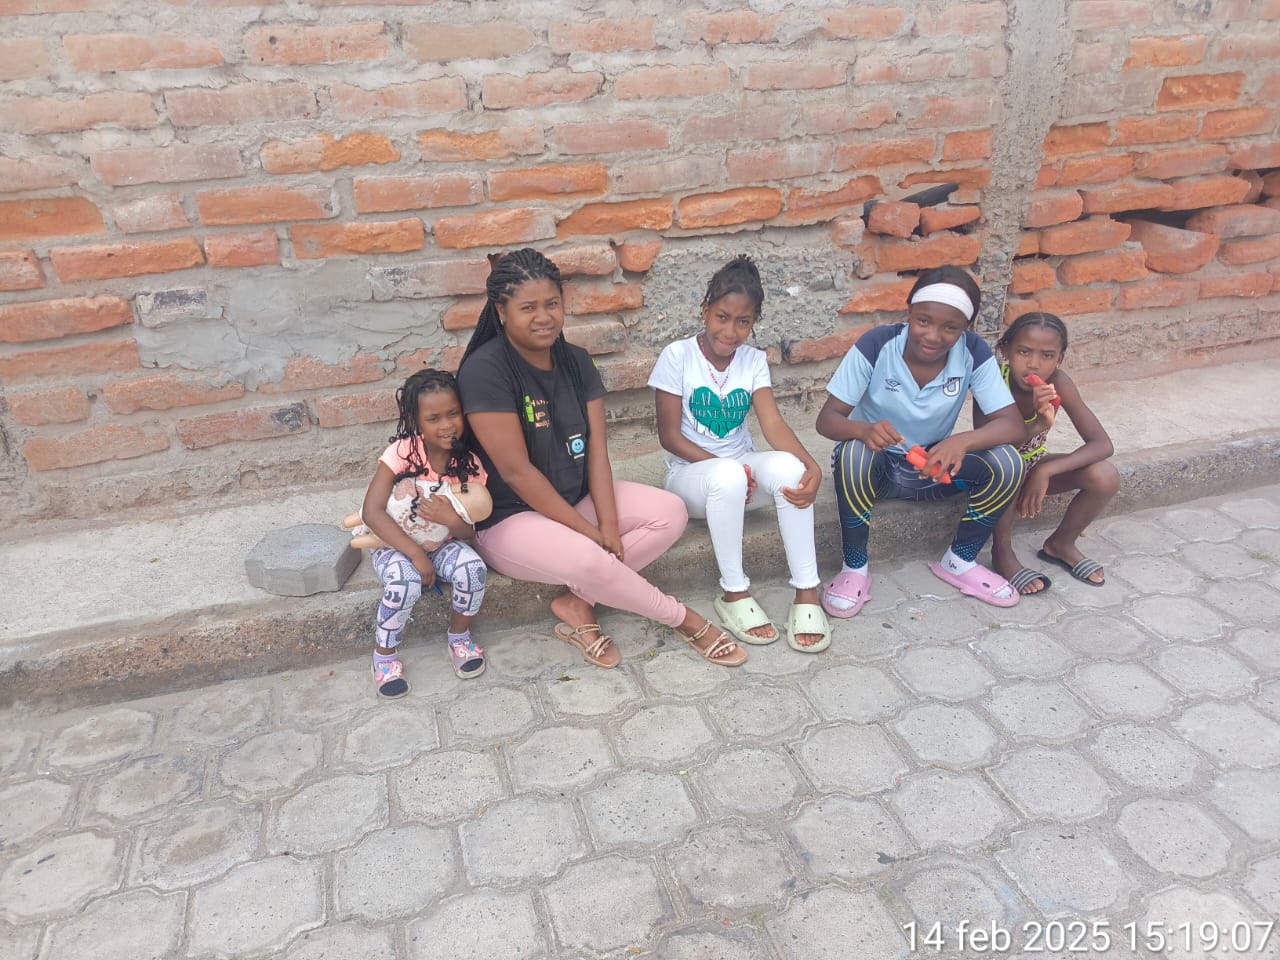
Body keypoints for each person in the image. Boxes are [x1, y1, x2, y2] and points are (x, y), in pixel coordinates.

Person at [456, 248, 746, 668]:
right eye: (528, 308)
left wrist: (607, 525)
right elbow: (516, 472)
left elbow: (596, 452)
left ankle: (578, 602)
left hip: (574, 499)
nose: (544, 317)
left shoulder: (576, 361)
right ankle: (684, 620)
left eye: (552, 304)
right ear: (501, 311)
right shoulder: (485, 371)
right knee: (588, 555)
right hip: (508, 518)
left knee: (671, 513)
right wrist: (589, 534)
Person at [814, 266, 1027, 613]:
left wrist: (963, 441)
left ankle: (960, 560)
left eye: (950, 328)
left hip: (934, 468)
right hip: (878, 469)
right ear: (909, 312)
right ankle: (854, 568)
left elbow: (1013, 425)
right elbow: (827, 420)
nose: (932, 335)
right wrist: (863, 430)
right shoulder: (877, 344)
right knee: (853, 454)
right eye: (923, 321)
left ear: (966, 327)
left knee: (1008, 461)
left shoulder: (973, 351)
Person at [648, 255, 830, 653]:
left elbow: (773, 424)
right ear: (705, 310)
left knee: (789, 469)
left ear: (754, 322)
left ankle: (807, 591)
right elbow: (669, 436)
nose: (730, 331)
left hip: (740, 479)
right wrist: (726, 467)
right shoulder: (678, 356)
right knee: (728, 475)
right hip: (692, 480)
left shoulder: (753, 360)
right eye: (722, 317)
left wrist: (811, 467)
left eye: (743, 322)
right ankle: (734, 592)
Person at [360, 369, 489, 698]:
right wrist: (415, 554)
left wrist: (450, 519)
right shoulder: (402, 453)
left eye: (453, 413)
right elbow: (372, 511)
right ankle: (384, 657)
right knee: (404, 583)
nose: (447, 425)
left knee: (473, 568)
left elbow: (469, 534)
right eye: (433, 418)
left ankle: (459, 638)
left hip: (443, 544)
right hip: (392, 544)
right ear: (415, 421)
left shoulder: (470, 465)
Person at [979, 312, 1119, 593]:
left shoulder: (1058, 383)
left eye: (1047, 356)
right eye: (1024, 352)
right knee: (1012, 466)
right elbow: (989, 446)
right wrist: (1040, 423)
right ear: (1005, 350)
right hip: (994, 472)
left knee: (1105, 475)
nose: (1034, 364)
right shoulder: (992, 381)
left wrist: (1046, 469)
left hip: (1032, 466)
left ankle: (1060, 544)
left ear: (1059, 359)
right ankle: (1002, 552)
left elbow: (1102, 444)